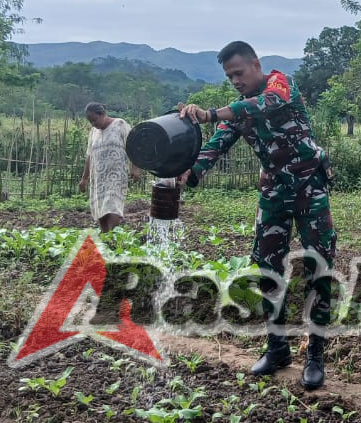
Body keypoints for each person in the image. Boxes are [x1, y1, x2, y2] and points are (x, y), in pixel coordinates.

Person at [178, 41, 335, 391]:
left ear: (256, 65)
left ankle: (316, 354)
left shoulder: (281, 83)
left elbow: (267, 104)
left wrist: (211, 113)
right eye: (229, 76)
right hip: (274, 192)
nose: (235, 80)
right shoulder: (238, 112)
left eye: (239, 72)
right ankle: (277, 347)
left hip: (310, 186)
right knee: (267, 265)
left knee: (319, 267)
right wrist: (190, 173)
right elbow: (217, 143)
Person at [79, 102, 140, 233]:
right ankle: (105, 235)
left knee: (112, 205)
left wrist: (135, 168)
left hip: (115, 175)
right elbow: (89, 155)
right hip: (98, 177)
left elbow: (133, 146)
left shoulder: (120, 125)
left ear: (103, 114)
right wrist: (84, 178)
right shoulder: (93, 131)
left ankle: (112, 235)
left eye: (94, 120)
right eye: (90, 122)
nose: (93, 124)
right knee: (101, 207)